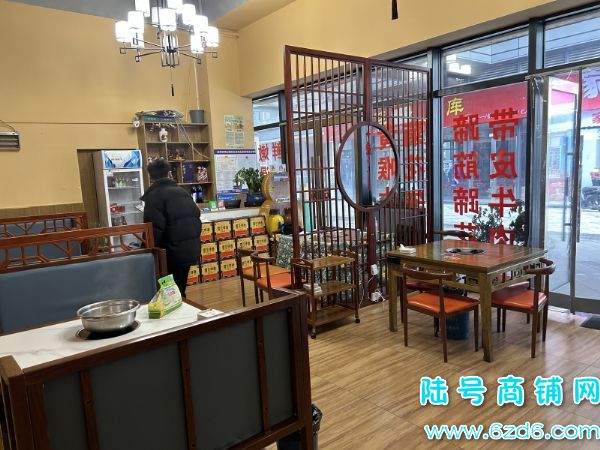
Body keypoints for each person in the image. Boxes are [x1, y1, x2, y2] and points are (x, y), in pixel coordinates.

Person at [141, 159, 200, 297]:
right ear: (169, 173)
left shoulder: (154, 196)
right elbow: (196, 217)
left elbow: (154, 229)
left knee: (169, 294)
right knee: (179, 289)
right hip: (189, 250)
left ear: (151, 176)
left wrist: (145, 248)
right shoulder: (183, 192)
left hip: (169, 254)